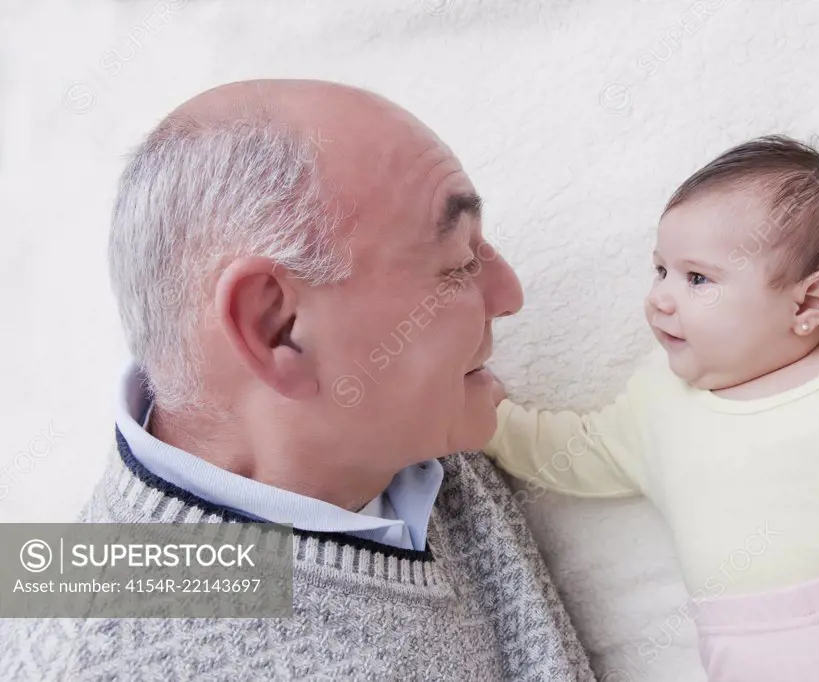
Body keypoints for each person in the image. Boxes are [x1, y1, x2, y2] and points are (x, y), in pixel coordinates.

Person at [0, 79, 594, 680]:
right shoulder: (92, 648)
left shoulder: (403, 430)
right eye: (459, 263)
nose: (509, 294)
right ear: (276, 327)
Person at [485, 135, 819, 681]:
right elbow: (573, 452)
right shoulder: (660, 405)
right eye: (660, 270)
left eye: (697, 278)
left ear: (809, 303)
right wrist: (486, 421)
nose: (659, 297)